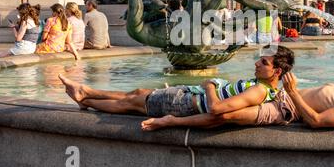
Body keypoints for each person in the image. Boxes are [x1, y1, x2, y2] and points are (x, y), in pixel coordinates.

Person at [140, 66, 334, 131]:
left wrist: (292, 93)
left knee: (224, 114)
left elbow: (316, 121)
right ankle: (193, 92)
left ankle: (170, 122)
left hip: (282, 109)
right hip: (280, 97)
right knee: (228, 100)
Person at [59, 46, 295, 119]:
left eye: (263, 62)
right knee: (138, 92)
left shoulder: (258, 91)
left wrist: (210, 85)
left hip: (184, 103)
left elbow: (216, 109)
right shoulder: (262, 86)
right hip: (186, 96)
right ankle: (86, 93)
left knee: (130, 104)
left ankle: (86, 98)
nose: (256, 63)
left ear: (276, 71)